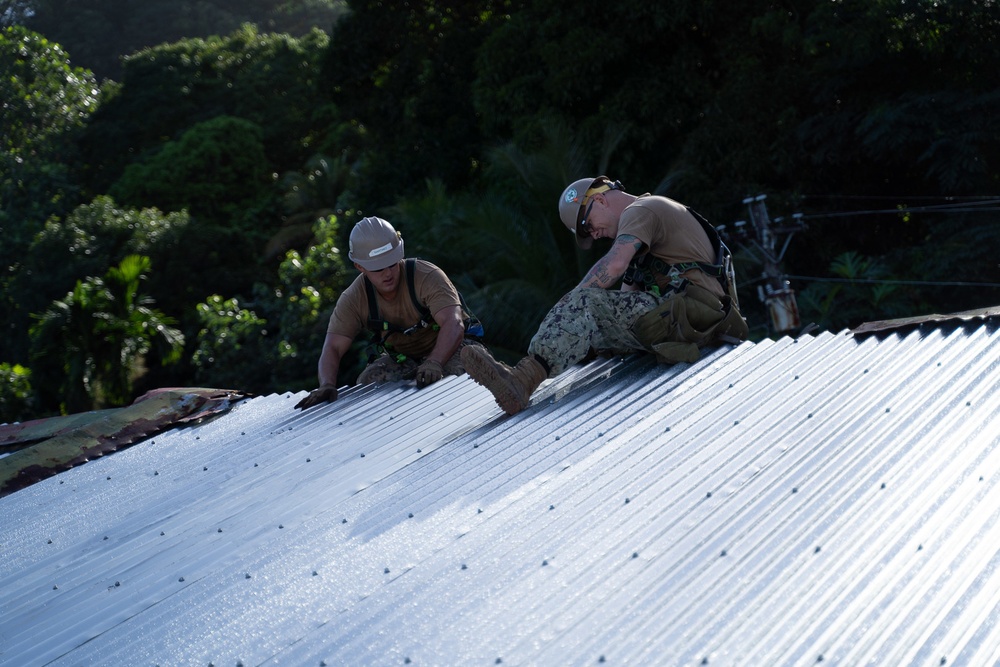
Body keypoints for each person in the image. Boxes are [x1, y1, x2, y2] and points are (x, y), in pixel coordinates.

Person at [462, 175, 748, 416]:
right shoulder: (644, 241)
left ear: (599, 199)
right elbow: (622, 305)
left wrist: (568, 305)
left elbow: (613, 265)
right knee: (588, 321)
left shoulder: (643, 209)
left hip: (692, 313)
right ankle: (521, 375)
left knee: (582, 303)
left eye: (587, 226)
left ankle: (522, 380)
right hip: (688, 318)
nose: (593, 235)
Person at [295, 216, 482, 410]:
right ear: (360, 267)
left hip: (452, 349)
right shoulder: (354, 298)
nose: (388, 273)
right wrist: (327, 384)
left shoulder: (426, 275)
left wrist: (435, 362)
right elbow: (333, 346)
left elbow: (454, 323)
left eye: (392, 263)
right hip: (405, 359)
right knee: (370, 380)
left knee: (467, 369)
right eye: (378, 268)